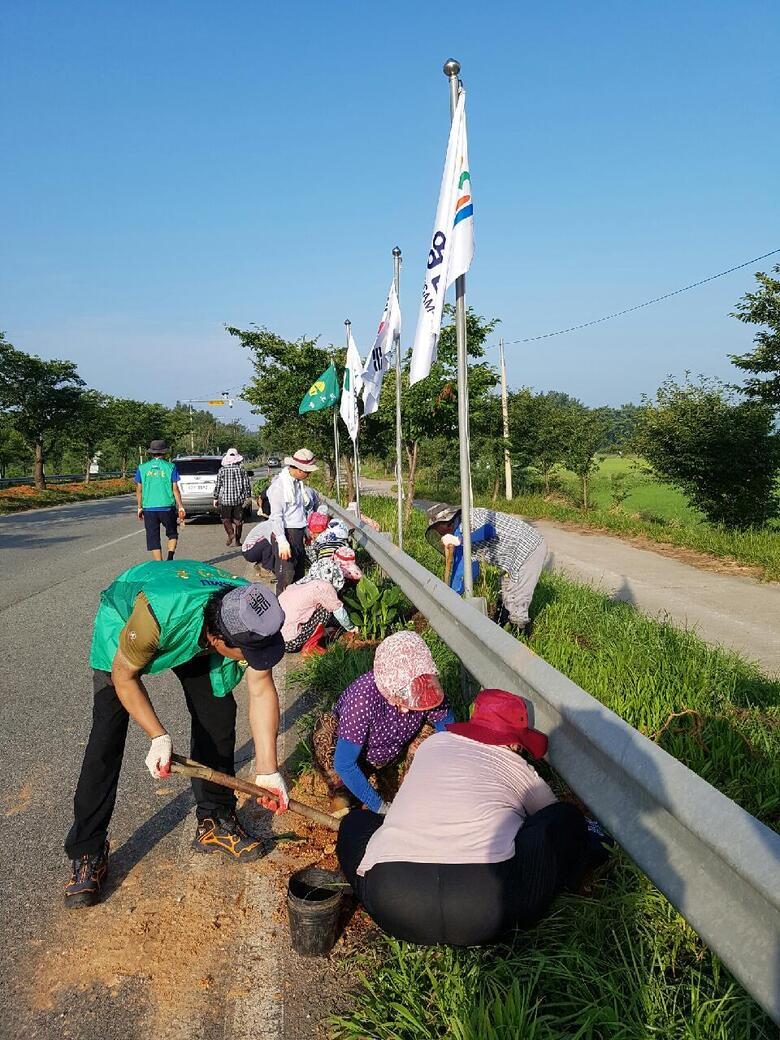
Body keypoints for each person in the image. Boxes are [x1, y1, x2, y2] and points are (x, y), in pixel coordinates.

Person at [63, 560, 290, 909]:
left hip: (196, 624)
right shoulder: (156, 617)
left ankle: (215, 819)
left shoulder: (248, 618)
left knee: (217, 714)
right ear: (218, 640)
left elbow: (261, 689)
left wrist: (268, 771)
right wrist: (158, 736)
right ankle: (88, 849)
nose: (258, 660)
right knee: (106, 736)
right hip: (130, 621)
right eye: (251, 654)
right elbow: (125, 678)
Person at [336, 689, 597, 946]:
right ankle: (586, 870)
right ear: (515, 743)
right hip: (486, 908)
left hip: (394, 902)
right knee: (565, 817)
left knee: (354, 824)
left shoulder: (432, 745)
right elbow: (549, 817)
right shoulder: (518, 766)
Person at [312, 632, 454, 814]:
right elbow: (345, 764)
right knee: (326, 727)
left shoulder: (425, 687)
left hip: (395, 749)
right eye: (402, 698)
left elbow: (448, 733)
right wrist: (379, 806)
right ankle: (343, 793)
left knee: (432, 733)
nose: (405, 710)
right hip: (359, 756)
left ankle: (409, 790)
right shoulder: (363, 699)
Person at [426, 503, 548, 633]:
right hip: (511, 558)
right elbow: (465, 571)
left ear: (447, 523)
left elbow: (489, 530)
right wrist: (450, 596)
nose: (439, 533)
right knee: (506, 592)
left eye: (437, 528)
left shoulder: (471, 518)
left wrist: (460, 540)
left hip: (529, 549)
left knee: (517, 600)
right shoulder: (458, 534)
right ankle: (500, 628)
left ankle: (522, 639)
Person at [278, 546, 363, 655]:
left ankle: (320, 633)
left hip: (278, 639)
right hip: (291, 642)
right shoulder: (324, 587)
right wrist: (351, 628)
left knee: (314, 607)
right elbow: (339, 613)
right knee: (326, 608)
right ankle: (311, 646)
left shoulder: (302, 583)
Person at [266, 448, 322, 593]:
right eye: (307, 471)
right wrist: (282, 541)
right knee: (286, 578)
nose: (308, 475)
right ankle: (282, 612)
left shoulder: (297, 484)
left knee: (298, 576)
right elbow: (276, 517)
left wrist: (306, 531)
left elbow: (297, 512)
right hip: (285, 534)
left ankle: (294, 612)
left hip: (297, 534)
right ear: (297, 469)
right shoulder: (279, 487)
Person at [135, 439, 186, 561]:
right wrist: (180, 506)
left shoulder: (142, 468)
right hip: (167, 506)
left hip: (149, 508)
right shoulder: (170, 467)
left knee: (153, 537)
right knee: (172, 533)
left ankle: (159, 564)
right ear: (164, 453)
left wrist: (139, 507)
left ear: (151, 453)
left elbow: (139, 490)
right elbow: (175, 489)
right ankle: (170, 557)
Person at [213, 448, 252, 547]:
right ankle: (237, 541)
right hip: (239, 499)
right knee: (239, 521)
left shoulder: (222, 470)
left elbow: (218, 485)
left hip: (226, 499)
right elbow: (246, 484)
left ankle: (231, 533)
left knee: (225, 519)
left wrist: (215, 498)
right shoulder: (241, 470)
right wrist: (248, 496)